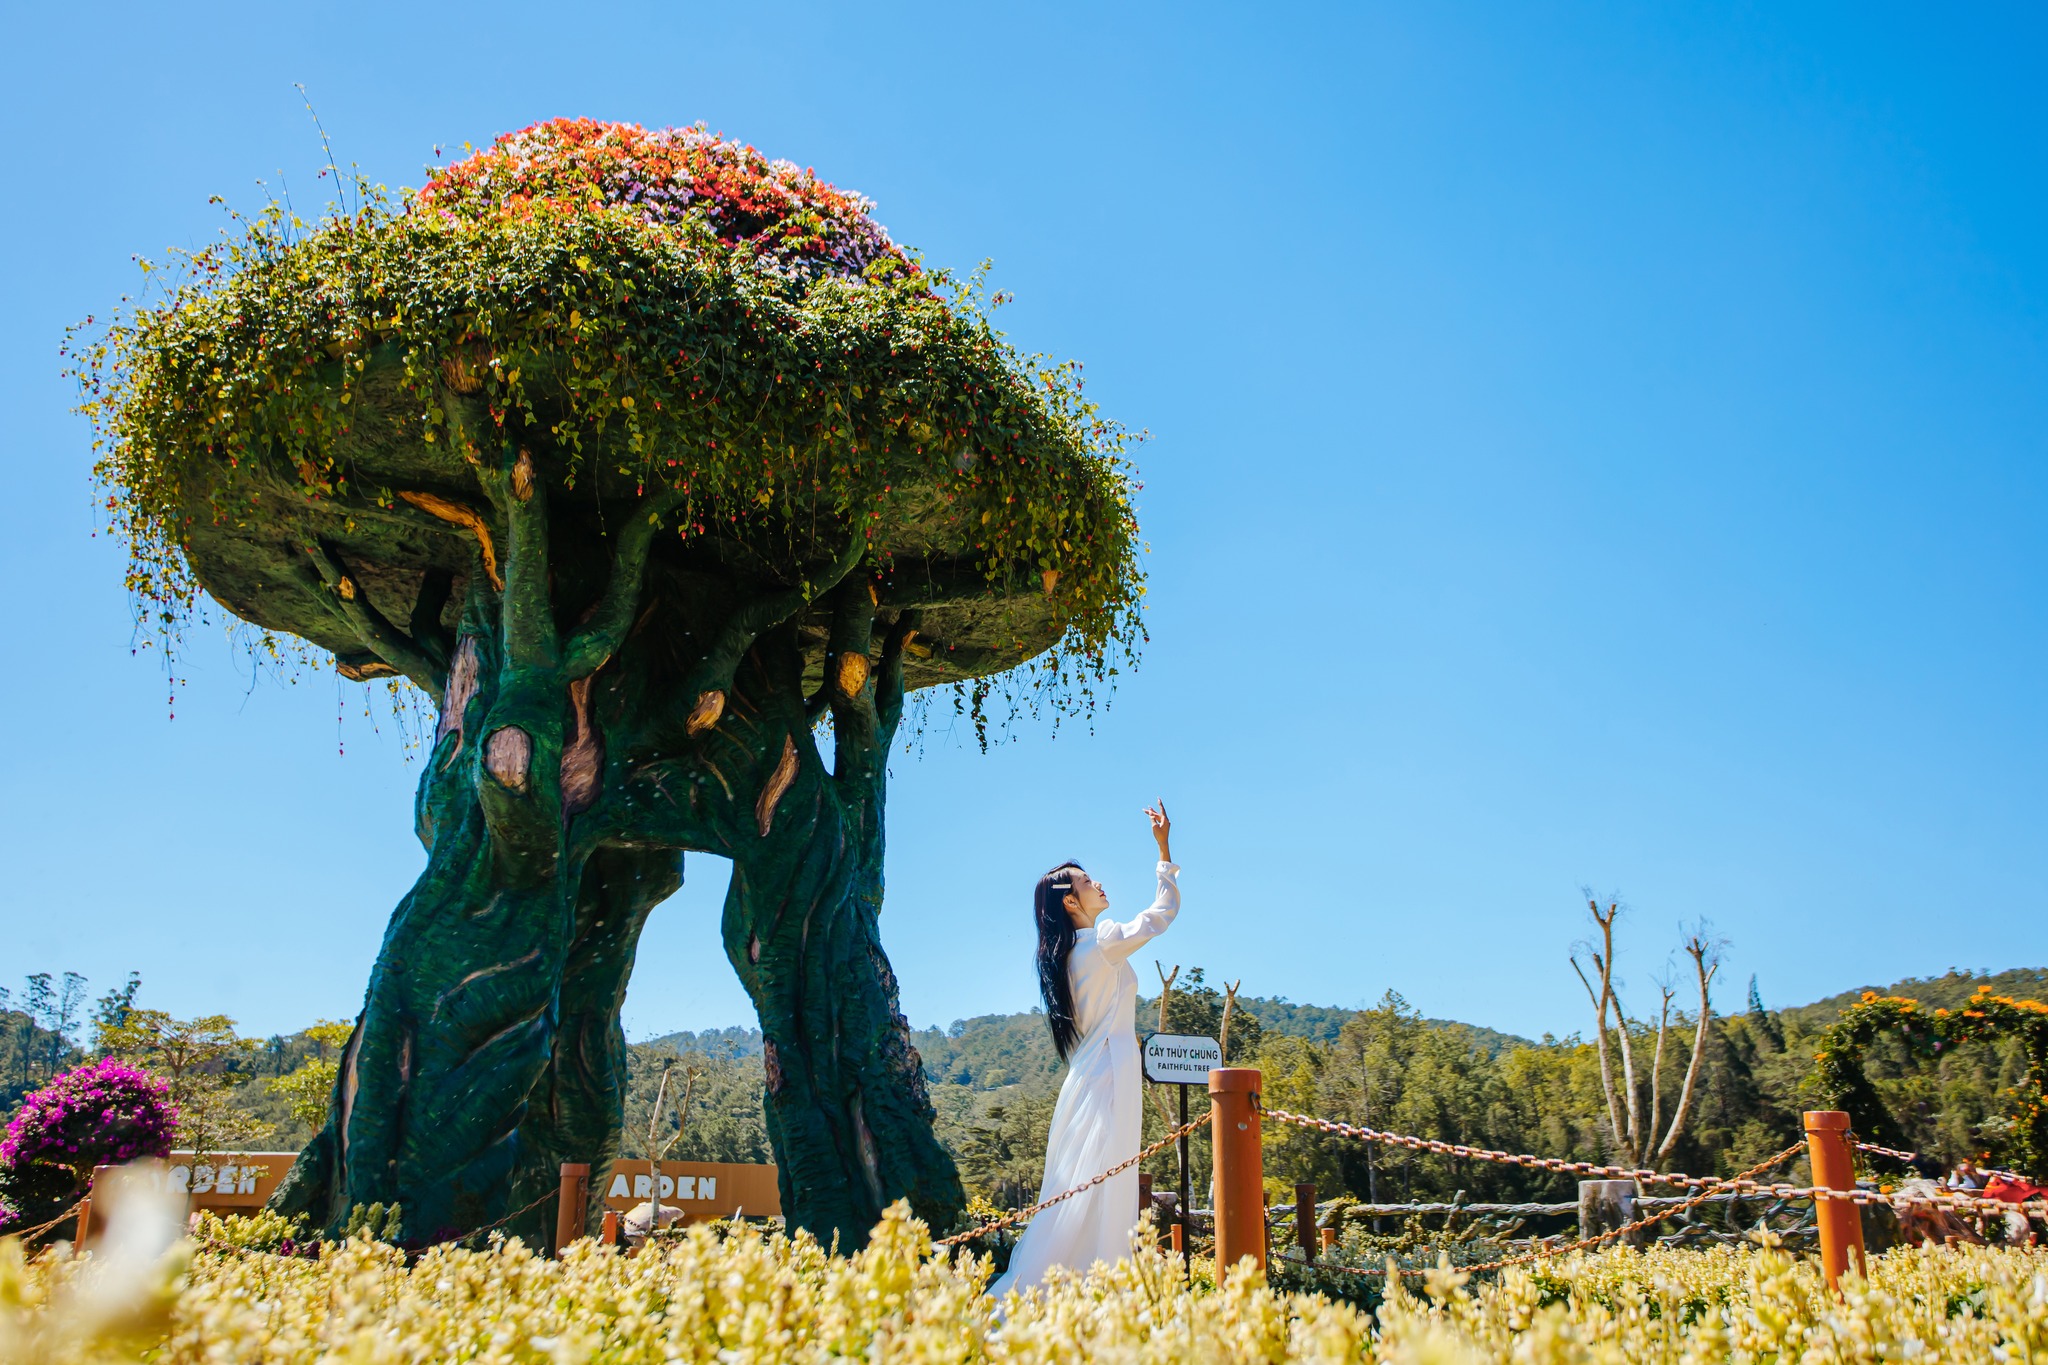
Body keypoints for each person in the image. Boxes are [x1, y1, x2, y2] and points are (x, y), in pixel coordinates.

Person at [988, 802, 1179, 1297]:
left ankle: (1075, 1289)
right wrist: (1163, 853)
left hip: (1088, 1078)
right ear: (1071, 903)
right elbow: (1161, 915)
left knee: (1081, 1189)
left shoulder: (1066, 957)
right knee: (1103, 1188)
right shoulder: (1102, 943)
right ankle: (1095, 1291)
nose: (1097, 884)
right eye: (1086, 882)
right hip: (1111, 1076)